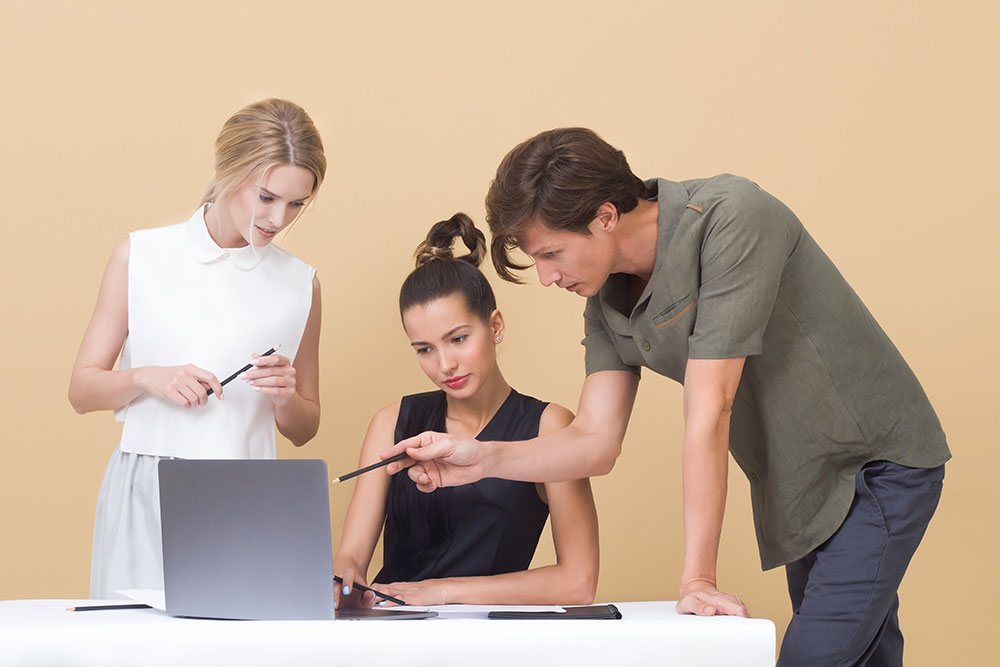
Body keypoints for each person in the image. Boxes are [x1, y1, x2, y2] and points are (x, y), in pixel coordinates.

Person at [385, 128, 949, 665]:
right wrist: (481, 459)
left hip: (874, 466)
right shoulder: (606, 295)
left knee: (816, 657)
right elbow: (594, 441)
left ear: (605, 217)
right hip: (797, 488)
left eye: (551, 254)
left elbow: (711, 409)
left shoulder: (732, 218)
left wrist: (697, 580)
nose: (547, 278)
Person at [68, 99, 326, 599]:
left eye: (297, 204)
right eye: (267, 197)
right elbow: (82, 390)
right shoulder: (141, 255)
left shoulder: (301, 285)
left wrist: (285, 396)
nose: (279, 219)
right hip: (146, 486)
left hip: (249, 496)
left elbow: (304, 429)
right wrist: (147, 377)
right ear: (229, 171)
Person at [334, 213, 599, 609]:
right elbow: (351, 557)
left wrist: (442, 593)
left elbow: (578, 583)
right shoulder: (391, 423)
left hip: (485, 639)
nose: (445, 365)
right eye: (424, 349)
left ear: (495, 326)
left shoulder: (549, 427)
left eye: (458, 339)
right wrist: (344, 578)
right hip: (390, 631)